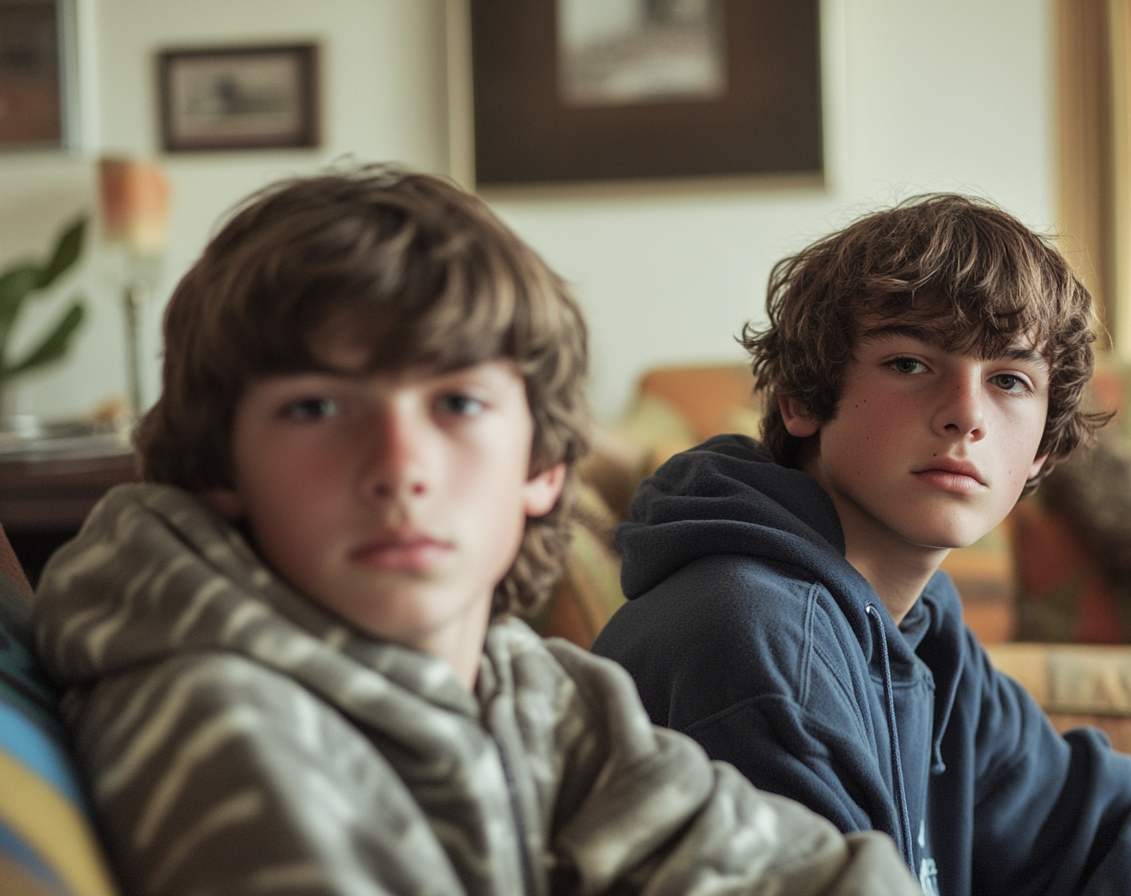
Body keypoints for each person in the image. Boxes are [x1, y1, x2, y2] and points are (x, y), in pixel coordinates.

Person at [31, 166, 920, 896]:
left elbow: (810, 873)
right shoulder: (217, 730)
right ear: (220, 465)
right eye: (315, 407)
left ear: (542, 469)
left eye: (457, 402)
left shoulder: (526, 681)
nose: (397, 465)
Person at [592, 194, 1131, 895]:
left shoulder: (922, 630)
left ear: (1043, 451)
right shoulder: (751, 635)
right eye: (910, 364)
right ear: (802, 399)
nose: (965, 415)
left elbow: (1110, 841)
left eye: (1010, 380)